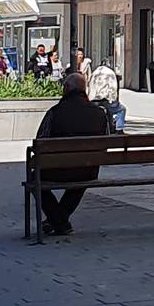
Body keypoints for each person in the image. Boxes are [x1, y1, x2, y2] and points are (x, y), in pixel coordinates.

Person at [32, 72, 109, 238]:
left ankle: (59, 221)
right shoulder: (99, 113)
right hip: (87, 169)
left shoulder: (55, 112)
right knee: (81, 178)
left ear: (66, 89)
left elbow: (40, 142)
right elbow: (105, 145)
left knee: (33, 178)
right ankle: (59, 220)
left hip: (57, 170)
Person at [89, 57, 124, 132]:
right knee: (121, 109)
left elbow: (90, 85)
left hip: (94, 100)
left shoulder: (95, 72)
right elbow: (113, 87)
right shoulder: (110, 72)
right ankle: (119, 129)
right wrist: (113, 99)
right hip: (106, 100)